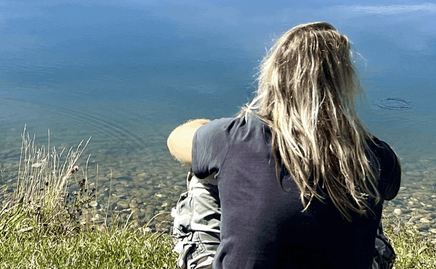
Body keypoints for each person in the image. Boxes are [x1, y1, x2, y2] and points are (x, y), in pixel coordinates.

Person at [167, 22, 401, 269]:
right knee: (368, 194)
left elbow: (176, 139)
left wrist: (215, 131)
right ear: (345, 82)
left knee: (202, 175)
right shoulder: (377, 156)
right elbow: (391, 186)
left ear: (274, 75)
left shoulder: (234, 137)